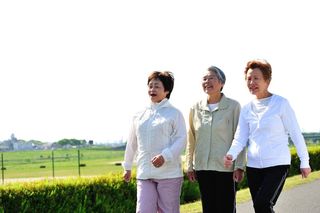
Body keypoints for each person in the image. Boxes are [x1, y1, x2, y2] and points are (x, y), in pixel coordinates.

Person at [224, 59, 311, 213]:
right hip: (253, 166)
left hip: (277, 164)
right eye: (249, 79)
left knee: (262, 204)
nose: (251, 82)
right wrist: (231, 154)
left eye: (256, 78)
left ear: (267, 80)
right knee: (260, 207)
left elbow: (296, 134)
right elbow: (240, 137)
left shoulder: (281, 103)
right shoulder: (246, 108)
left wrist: (305, 161)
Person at [122, 71, 187, 213]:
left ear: (167, 90)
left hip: (169, 174)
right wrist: (127, 166)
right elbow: (132, 141)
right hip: (145, 173)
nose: (152, 90)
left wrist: (165, 156)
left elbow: (181, 140)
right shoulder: (139, 115)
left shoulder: (174, 114)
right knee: (143, 210)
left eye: (157, 86)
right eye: (150, 86)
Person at [185, 66, 246, 213]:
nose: (207, 81)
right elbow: (191, 139)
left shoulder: (233, 106)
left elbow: (240, 137)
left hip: (225, 167)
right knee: (208, 208)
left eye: (211, 78)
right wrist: (189, 165)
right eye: (204, 78)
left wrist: (239, 166)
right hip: (203, 167)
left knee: (226, 208)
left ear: (221, 83)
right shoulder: (195, 108)